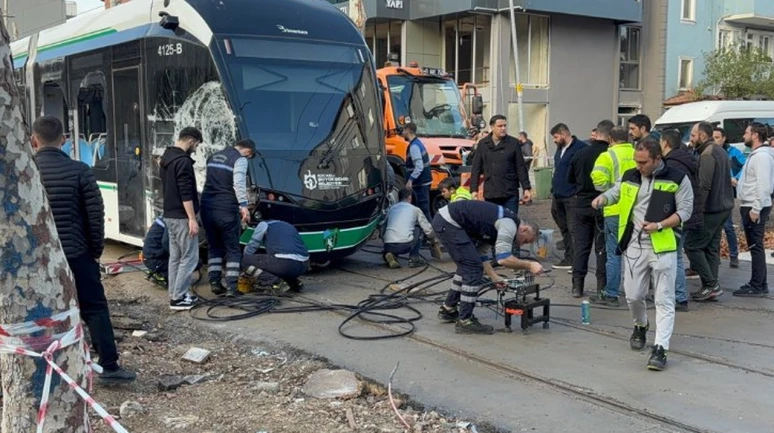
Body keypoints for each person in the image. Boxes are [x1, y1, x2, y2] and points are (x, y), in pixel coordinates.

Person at [33, 116, 136, 383]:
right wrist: (94, 250)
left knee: (44, 311)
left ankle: (47, 367)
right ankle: (110, 365)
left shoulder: (26, 173)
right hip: (77, 253)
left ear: (33, 140)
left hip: (39, 259)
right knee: (94, 308)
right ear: (64, 140)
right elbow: (95, 215)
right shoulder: (80, 170)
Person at [592, 137, 694, 371]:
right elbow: (617, 192)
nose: (639, 166)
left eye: (643, 162)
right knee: (633, 295)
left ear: (657, 159)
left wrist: (660, 225)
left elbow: (686, 210)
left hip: (663, 245)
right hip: (634, 246)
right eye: (637, 161)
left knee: (664, 299)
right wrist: (602, 198)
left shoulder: (677, 178)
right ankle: (640, 325)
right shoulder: (630, 175)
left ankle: (660, 348)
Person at [433, 201, 544, 335]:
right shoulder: (509, 225)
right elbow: (503, 259)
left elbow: (480, 254)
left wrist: (494, 277)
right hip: (449, 223)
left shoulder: (499, 226)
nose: (521, 245)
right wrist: (530, 264)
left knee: (468, 265)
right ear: (524, 229)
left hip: (448, 221)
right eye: (525, 241)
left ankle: (448, 309)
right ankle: (465, 321)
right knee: (472, 269)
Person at [200, 139, 256, 298]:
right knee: (232, 248)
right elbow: (238, 183)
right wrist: (244, 205)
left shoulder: (213, 156)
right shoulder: (240, 159)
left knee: (214, 247)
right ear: (248, 151)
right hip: (226, 209)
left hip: (207, 207)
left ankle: (215, 283)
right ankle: (232, 287)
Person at [686, 122, 735, 302]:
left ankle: (711, 284)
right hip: (724, 207)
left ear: (703, 136)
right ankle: (710, 287)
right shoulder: (719, 150)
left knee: (692, 245)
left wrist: (697, 210)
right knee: (711, 248)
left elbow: (704, 185)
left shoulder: (707, 155)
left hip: (711, 209)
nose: (690, 139)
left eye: (693, 135)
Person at [589, 126, 636, 307]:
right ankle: (636, 292)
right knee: (636, 253)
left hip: (614, 209)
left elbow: (598, 181)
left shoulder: (607, 156)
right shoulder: (636, 154)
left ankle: (611, 294)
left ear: (610, 139)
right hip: (634, 210)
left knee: (614, 253)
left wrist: (611, 190)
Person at [567, 120, 613, 298]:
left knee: (581, 247)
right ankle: (602, 287)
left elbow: (570, 178)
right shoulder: (609, 154)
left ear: (597, 133)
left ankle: (577, 286)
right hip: (604, 204)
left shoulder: (580, 153)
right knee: (602, 249)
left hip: (581, 204)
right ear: (610, 136)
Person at [160, 127, 203, 311]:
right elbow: (186, 193)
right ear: (192, 141)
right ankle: (178, 298)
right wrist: (192, 219)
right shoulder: (183, 162)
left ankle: (175, 293)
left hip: (169, 214)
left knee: (175, 257)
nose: (196, 148)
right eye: (197, 145)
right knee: (189, 257)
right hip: (181, 216)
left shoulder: (166, 157)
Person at [660, 130, 701, 312]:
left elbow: (669, 194)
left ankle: (679, 297)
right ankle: (678, 295)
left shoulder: (672, 165)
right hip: (688, 215)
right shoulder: (687, 159)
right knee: (675, 255)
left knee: (674, 256)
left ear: (665, 143)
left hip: (678, 217)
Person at [733, 123, 774, 297]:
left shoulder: (762, 157)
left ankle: (757, 285)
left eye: (746, 133)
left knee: (755, 246)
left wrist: (756, 209)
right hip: (751, 203)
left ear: (755, 135)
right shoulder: (757, 155)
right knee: (754, 246)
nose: (744, 136)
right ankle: (759, 282)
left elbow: (764, 185)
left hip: (754, 206)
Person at [470, 115, 532, 215]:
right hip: (491, 192)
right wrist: (474, 189)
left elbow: (520, 167)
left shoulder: (513, 143)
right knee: (493, 223)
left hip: (509, 192)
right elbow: (476, 168)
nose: (503, 128)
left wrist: (526, 188)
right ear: (492, 127)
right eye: (500, 126)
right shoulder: (483, 144)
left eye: (504, 126)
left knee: (510, 221)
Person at [549, 123, 584, 270]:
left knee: (573, 229)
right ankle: (569, 257)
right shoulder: (560, 149)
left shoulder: (580, 149)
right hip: (558, 196)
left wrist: (577, 192)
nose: (554, 141)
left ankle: (577, 262)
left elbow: (582, 173)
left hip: (571, 196)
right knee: (564, 228)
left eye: (556, 137)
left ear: (563, 134)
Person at [242, 220, 309, 293]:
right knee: (273, 263)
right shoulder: (288, 225)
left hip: (285, 264)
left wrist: (246, 264)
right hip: (304, 265)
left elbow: (253, 245)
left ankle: (274, 282)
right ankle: (293, 283)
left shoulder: (264, 225)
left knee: (245, 261)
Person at [382, 188, 440, 268]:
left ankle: (391, 254)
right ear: (410, 198)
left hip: (388, 245)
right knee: (419, 228)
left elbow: (383, 227)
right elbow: (428, 229)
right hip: (405, 245)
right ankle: (414, 258)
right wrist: (433, 240)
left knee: (393, 230)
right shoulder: (415, 209)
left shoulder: (391, 209)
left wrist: (384, 239)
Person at [713, 127, 745, 268]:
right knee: (714, 228)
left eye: (717, 137)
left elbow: (745, 167)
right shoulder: (710, 152)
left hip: (727, 193)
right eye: (712, 137)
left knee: (728, 226)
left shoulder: (733, 152)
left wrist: (735, 178)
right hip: (714, 193)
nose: (714, 140)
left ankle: (734, 256)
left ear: (724, 138)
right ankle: (715, 256)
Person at [402, 122, 432, 221]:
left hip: (420, 184)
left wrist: (410, 180)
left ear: (407, 131)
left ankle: (432, 234)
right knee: (421, 211)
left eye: (403, 130)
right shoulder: (417, 143)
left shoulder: (414, 147)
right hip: (423, 182)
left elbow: (419, 166)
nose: (402, 133)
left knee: (423, 211)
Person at [143, 217, 170, 286]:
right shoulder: (169, 221)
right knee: (195, 263)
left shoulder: (161, 220)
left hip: (149, 257)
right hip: (155, 260)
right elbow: (165, 242)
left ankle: (158, 272)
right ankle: (162, 274)